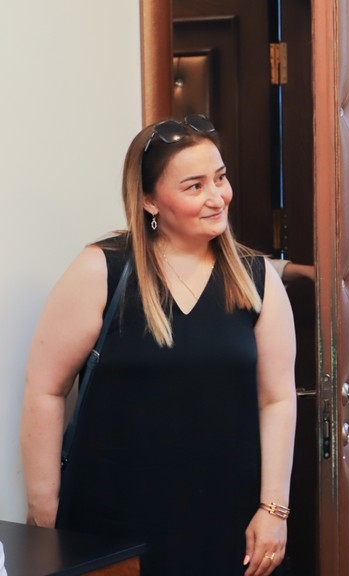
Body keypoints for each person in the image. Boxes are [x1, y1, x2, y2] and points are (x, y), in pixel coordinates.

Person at [20, 114, 297, 576]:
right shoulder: (103, 271)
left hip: (228, 524)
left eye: (220, 178)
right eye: (194, 186)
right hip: (111, 523)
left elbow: (277, 399)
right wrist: (44, 504)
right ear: (150, 200)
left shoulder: (257, 279)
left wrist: (274, 509)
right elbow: (45, 388)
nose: (217, 197)